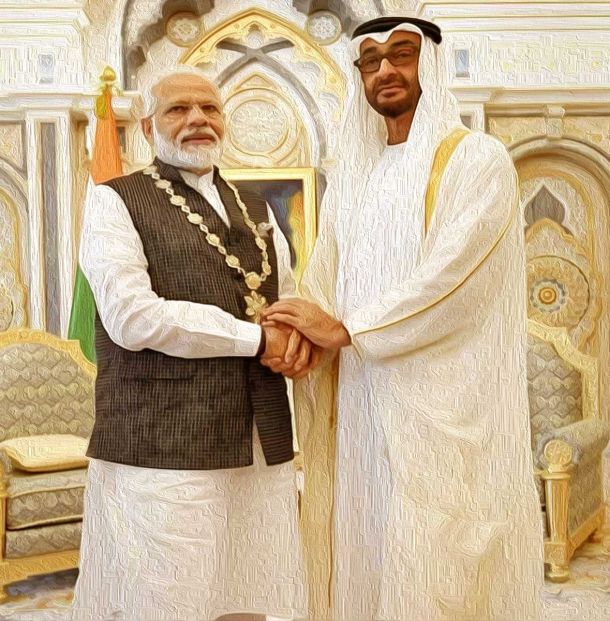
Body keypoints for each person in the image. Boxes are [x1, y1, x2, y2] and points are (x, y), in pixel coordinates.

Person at [262, 16, 544, 621]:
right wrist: (301, 335)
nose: (385, 69)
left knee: (438, 557)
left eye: (402, 54)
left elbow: (455, 274)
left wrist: (349, 330)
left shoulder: (477, 159)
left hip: (441, 405)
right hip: (359, 405)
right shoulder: (354, 176)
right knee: (366, 547)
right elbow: (324, 276)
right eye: (371, 60)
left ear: (431, 64)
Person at [71, 66, 310, 621]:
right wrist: (258, 338)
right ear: (148, 126)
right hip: (163, 441)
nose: (197, 119)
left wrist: (296, 337)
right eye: (179, 109)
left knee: (252, 591)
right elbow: (132, 317)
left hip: (260, 436)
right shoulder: (114, 200)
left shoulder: (256, 207)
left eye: (210, 108)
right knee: (169, 599)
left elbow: (287, 296)